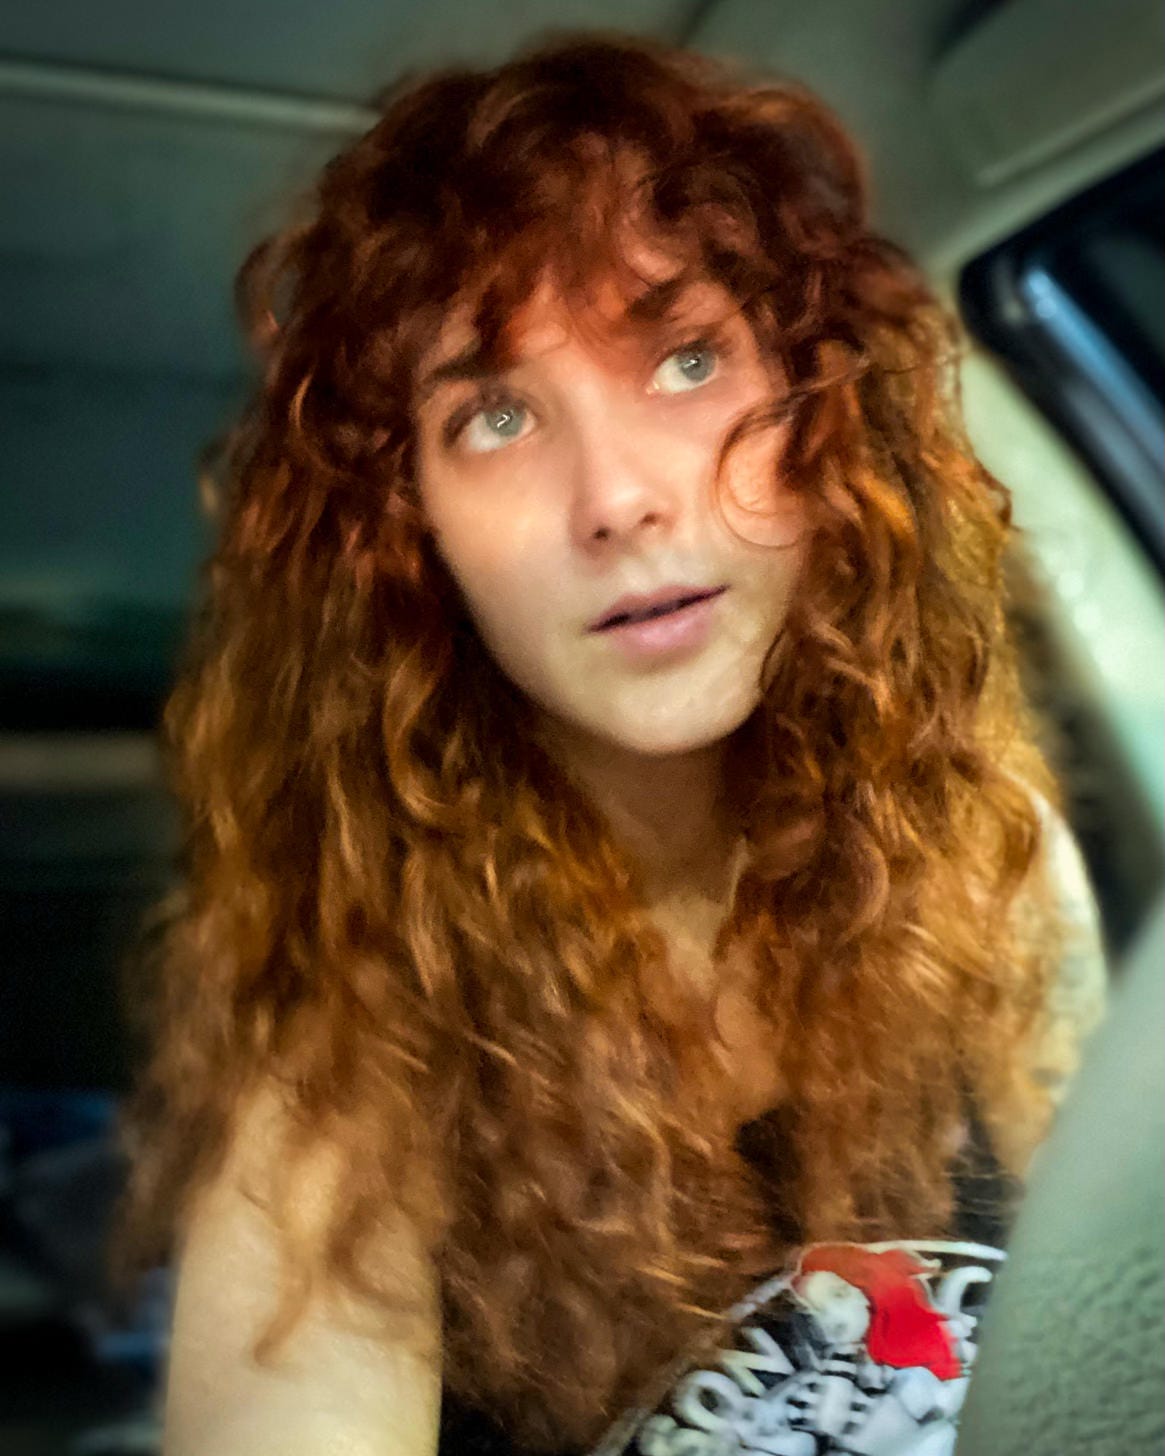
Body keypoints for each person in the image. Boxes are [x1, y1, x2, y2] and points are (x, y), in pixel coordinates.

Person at [113, 32, 1107, 1456]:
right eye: (496, 414)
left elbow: (1113, 1333)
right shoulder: (342, 1089)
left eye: (686, 356)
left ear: (817, 428)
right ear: (411, 541)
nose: (617, 498)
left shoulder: (983, 854)